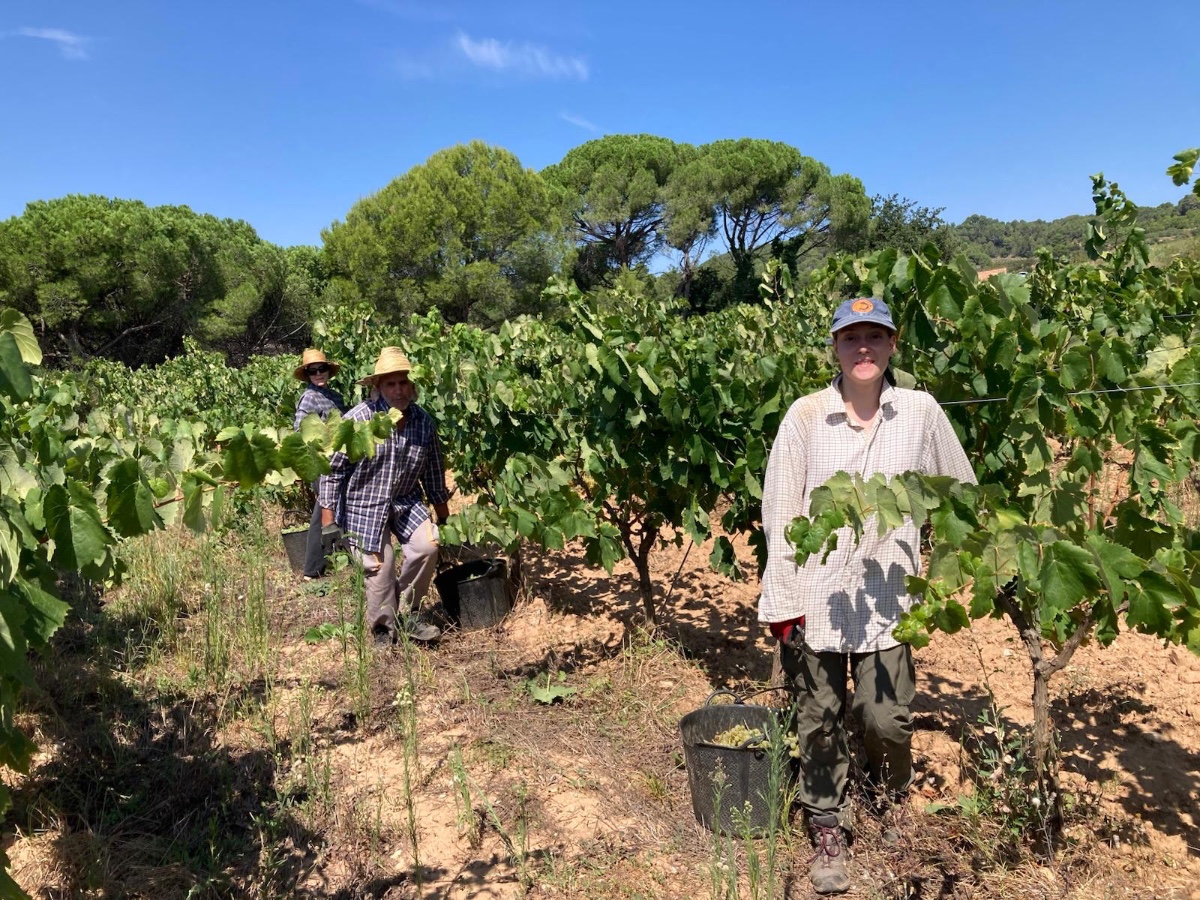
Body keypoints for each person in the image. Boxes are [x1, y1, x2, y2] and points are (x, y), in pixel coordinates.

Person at [759, 297, 976, 895]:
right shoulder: (805, 417)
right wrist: (782, 602)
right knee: (819, 717)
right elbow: (779, 511)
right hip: (819, 599)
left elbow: (960, 492)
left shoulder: (920, 412)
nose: (863, 348)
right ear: (834, 347)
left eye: (874, 337)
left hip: (889, 601)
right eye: (850, 337)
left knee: (884, 718)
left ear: (892, 345)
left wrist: (956, 568)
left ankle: (886, 794)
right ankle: (827, 821)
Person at [318, 347, 449, 644]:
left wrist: (443, 516)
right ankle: (383, 630)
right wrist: (328, 522)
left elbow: (433, 474)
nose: (398, 390)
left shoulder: (423, 422)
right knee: (380, 568)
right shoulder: (358, 420)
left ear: (413, 387)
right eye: (391, 384)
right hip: (363, 507)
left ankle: (406, 613)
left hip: (405, 502)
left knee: (427, 546)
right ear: (378, 388)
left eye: (403, 382)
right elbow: (332, 470)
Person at [293, 348, 348, 580]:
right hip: (320, 462)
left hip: (337, 462)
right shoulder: (309, 397)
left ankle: (334, 558)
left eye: (321, 369)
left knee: (332, 506)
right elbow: (300, 431)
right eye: (312, 371)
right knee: (323, 509)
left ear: (328, 371)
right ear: (307, 375)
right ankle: (312, 568)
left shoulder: (336, 397)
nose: (318, 374)